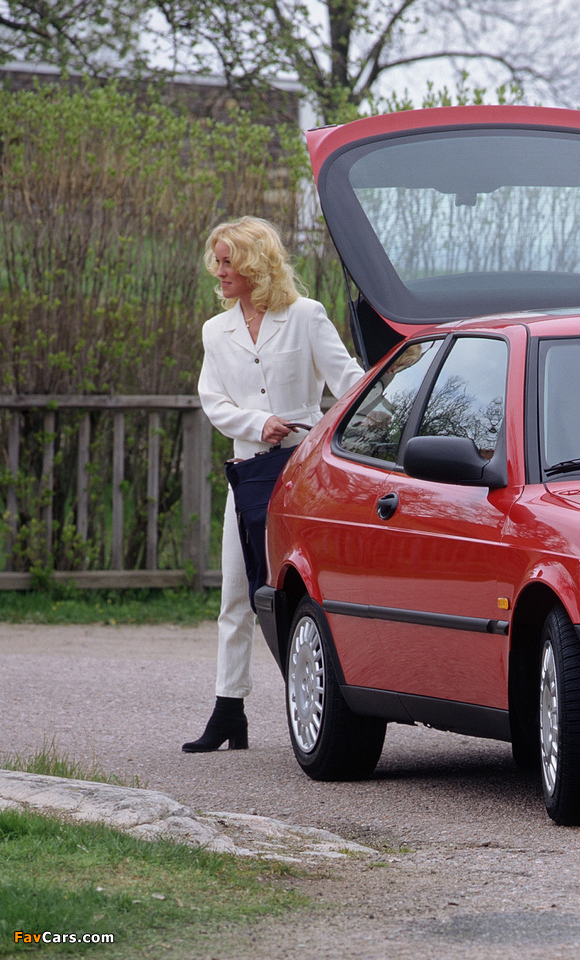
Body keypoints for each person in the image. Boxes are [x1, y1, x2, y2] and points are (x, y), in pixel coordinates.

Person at [183, 216, 363, 753]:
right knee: (235, 594)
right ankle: (227, 710)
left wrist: (386, 411)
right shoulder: (216, 331)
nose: (219, 271)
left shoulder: (305, 316)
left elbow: (349, 383)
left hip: (302, 476)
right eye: (216, 260)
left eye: (227, 260)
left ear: (255, 263)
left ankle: (326, 709)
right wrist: (257, 423)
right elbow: (214, 402)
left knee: (304, 593)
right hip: (248, 474)